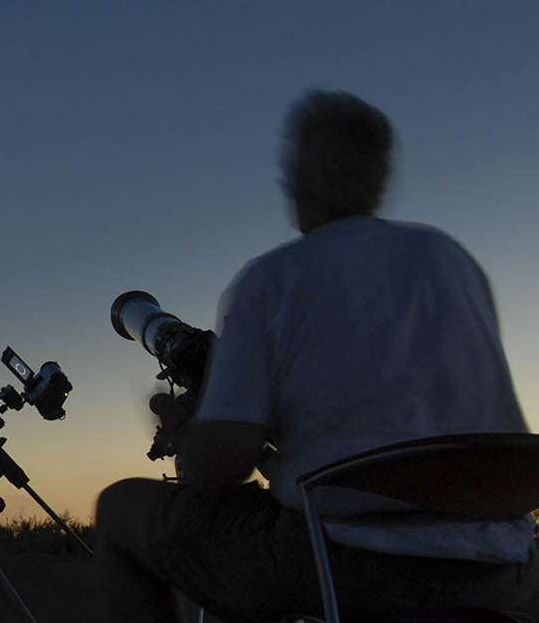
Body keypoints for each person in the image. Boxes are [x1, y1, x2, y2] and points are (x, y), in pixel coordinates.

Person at [93, 91, 538, 623]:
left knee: (119, 509)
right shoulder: (452, 261)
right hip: (505, 572)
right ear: (378, 179)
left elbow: (220, 471)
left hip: (344, 568)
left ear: (298, 180)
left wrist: (184, 425)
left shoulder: (269, 282)